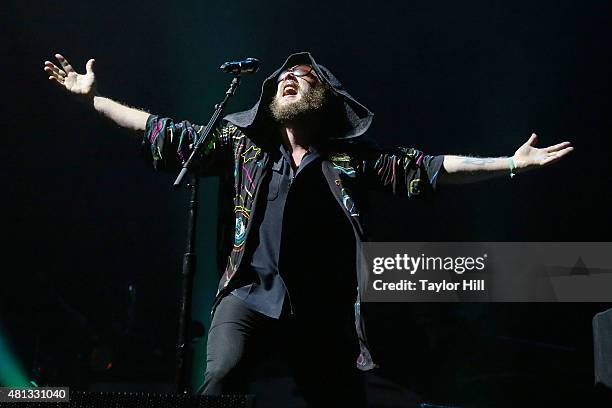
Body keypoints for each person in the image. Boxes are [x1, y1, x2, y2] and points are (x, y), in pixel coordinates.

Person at [43, 51, 573, 406]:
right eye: (284, 76)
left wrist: (510, 163)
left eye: (304, 75)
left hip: (320, 312)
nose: (289, 78)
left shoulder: (350, 160)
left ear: (323, 96)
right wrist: (92, 98)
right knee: (221, 381)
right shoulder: (246, 146)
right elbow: (162, 130)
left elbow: (431, 166)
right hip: (247, 299)